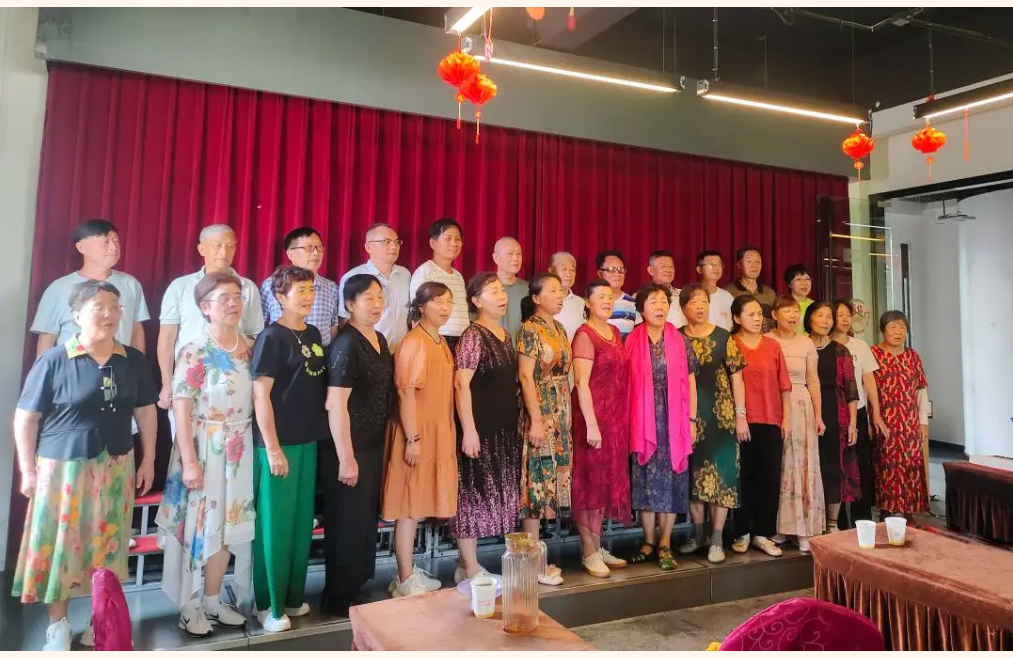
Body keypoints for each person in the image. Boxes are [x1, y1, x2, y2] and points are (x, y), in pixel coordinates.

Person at [13, 281, 157, 651]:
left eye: (114, 306)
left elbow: (145, 411)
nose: (109, 314)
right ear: (77, 316)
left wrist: (149, 458)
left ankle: (101, 620)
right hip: (63, 469)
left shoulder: (133, 360)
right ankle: (58, 626)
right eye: (98, 307)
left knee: (109, 545)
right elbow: (26, 417)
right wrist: (28, 470)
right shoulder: (55, 360)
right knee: (60, 545)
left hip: (116, 465)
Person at [156, 272, 255, 637]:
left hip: (239, 446)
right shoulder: (194, 350)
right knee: (198, 527)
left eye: (237, 296)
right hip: (203, 445)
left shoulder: (250, 348)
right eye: (224, 298)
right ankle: (190, 604)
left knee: (228, 526)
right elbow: (181, 407)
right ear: (205, 307)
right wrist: (189, 461)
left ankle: (213, 599)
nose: (233, 303)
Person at [250, 266, 329, 632]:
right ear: (281, 297)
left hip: (307, 440)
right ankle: (269, 605)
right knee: (275, 525)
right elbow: (261, 395)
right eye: (300, 290)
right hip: (278, 445)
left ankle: (294, 596)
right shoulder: (271, 337)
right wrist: (272, 448)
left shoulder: (312, 333)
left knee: (300, 523)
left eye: (311, 289)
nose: (308, 296)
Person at [321, 274, 395, 614]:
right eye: (368, 298)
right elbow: (335, 404)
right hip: (347, 446)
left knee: (363, 518)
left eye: (379, 297)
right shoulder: (346, 344)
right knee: (346, 521)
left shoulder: (378, 338)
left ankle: (355, 586)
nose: (377, 304)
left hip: (371, 442)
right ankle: (337, 596)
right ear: (349, 304)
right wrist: (346, 458)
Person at [381, 282, 457, 597]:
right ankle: (404, 578)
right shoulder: (414, 342)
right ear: (421, 306)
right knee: (408, 506)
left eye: (449, 302)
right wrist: (413, 438)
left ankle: (409, 572)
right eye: (438, 302)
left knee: (418, 503)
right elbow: (406, 393)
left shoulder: (439, 340)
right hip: (416, 432)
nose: (445, 307)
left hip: (436, 428)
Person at [452, 273, 521, 583]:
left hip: (503, 427)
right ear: (477, 301)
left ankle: (469, 566)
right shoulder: (473, 336)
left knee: (497, 493)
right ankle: (468, 565)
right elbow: (460, 384)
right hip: (479, 427)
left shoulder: (505, 334)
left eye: (501, 290)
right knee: (471, 494)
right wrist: (469, 430)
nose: (501, 295)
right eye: (493, 291)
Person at [627, 283, 698, 573]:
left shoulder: (680, 339)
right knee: (644, 478)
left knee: (671, 481)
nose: (660, 306)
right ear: (641, 309)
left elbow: (691, 381)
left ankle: (665, 542)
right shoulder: (631, 339)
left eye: (663, 301)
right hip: (641, 418)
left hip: (674, 419)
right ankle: (648, 541)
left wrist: (692, 420)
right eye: (653, 302)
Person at [158, 224, 264, 415]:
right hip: (189, 378)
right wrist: (167, 382)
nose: (224, 251)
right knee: (186, 430)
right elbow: (167, 337)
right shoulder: (180, 287)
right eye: (218, 245)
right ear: (201, 249)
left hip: (235, 380)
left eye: (230, 246)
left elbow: (255, 337)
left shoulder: (248, 288)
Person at [677, 284, 748, 564]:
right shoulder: (677, 337)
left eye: (704, 302)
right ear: (683, 308)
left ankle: (717, 539)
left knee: (722, 476)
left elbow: (737, 379)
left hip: (721, 417)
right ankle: (698, 536)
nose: (699, 306)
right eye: (693, 302)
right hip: (687, 418)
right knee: (693, 477)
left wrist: (740, 415)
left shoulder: (723, 337)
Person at [571, 279, 631, 578]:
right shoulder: (585, 335)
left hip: (614, 419)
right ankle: (588, 550)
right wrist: (592, 425)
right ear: (587, 301)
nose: (607, 301)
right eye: (601, 297)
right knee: (589, 484)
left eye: (610, 297)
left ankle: (598, 543)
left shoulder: (615, 332)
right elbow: (581, 384)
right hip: (590, 419)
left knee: (606, 481)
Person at [517, 272, 571, 585]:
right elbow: (526, 376)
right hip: (540, 409)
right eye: (552, 290)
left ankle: (539, 559)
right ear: (536, 298)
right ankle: (532, 564)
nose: (560, 295)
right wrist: (536, 419)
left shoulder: (559, 328)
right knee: (535, 483)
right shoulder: (529, 329)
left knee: (550, 481)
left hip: (560, 410)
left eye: (560, 290)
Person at [31, 219, 149, 357]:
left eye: (116, 241)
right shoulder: (59, 288)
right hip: (73, 365)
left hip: (119, 366)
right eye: (106, 242)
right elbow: (47, 338)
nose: (113, 247)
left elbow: (136, 330)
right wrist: (43, 369)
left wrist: (138, 365)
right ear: (82, 247)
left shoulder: (130, 284)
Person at [730, 295, 790, 557]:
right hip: (740, 422)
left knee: (769, 478)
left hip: (770, 419)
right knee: (743, 478)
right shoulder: (731, 344)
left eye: (759, 314)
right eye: (751, 314)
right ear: (737, 318)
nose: (757, 319)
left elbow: (784, 385)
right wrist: (738, 417)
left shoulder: (772, 346)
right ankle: (742, 532)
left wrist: (786, 418)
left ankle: (763, 534)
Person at [767, 296, 825, 552]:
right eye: (786, 311)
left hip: (801, 404)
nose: (792, 316)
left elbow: (813, 380)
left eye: (795, 311)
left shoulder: (806, 343)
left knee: (802, 464)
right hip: (773, 404)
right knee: (780, 464)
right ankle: (781, 527)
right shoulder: (767, 340)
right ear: (774, 315)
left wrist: (819, 415)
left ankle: (804, 528)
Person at [831, 300, 889, 526]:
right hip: (833, 413)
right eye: (840, 315)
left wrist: (876, 413)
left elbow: (868, 380)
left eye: (848, 315)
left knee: (861, 466)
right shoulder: (821, 345)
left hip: (859, 411)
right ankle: (837, 522)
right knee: (836, 466)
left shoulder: (860, 346)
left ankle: (862, 519)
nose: (845, 320)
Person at [806, 302, 860, 533]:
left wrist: (853, 424)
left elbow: (851, 390)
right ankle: (807, 521)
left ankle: (831, 523)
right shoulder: (801, 345)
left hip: (835, 413)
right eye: (820, 315)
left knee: (832, 465)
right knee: (806, 465)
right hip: (804, 410)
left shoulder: (840, 351)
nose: (826, 321)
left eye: (829, 317)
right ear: (809, 318)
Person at [870, 311, 930, 519]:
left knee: (911, 465)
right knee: (887, 466)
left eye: (902, 327)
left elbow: (921, 391)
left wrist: (923, 422)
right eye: (893, 327)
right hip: (884, 420)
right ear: (883, 330)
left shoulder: (913, 356)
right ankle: (887, 510)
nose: (898, 332)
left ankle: (908, 511)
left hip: (909, 421)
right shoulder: (873, 354)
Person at [259, 227, 341, 346]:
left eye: (319, 247)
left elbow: (333, 328)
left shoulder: (331, 288)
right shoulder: (271, 285)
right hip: (281, 352)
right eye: (309, 248)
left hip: (321, 354)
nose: (316, 253)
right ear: (290, 254)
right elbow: (259, 325)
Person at [338, 223, 412, 351]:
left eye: (396, 242)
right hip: (368, 352)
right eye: (386, 242)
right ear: (368, 247)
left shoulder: (405, 274)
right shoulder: (353, 277)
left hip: (402, 352)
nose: (393, 246)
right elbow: (344, 320)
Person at [410, 218, 468, 352]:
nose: (454, 243)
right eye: (448, 239)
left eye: (457, 239)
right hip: (437, 341)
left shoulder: (458, 276)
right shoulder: (425, 272)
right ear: (433, 243)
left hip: (462, 342)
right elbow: (416, 313)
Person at [725, 246, 777, 333]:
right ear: (739, 265)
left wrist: (771, 323)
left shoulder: (770, 293)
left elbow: (778, 318)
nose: (754, 266)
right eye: (749, 261)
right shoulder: (728, 292)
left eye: (758, 261)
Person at [596, 250, 637, 339]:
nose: (617, 274)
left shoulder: (633, 303)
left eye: (621, 270)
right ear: (600, 273)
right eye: (611, 269)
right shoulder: (590, 303)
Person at [493, 236, 528, 338]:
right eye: (510, 254)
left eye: (518, 254)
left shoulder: (528, 289)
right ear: (496, 258)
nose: (515, 258)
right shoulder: (484, 288)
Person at [695, 251, 736, 331]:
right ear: (699, 269)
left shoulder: (727, 297)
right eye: (711, 264)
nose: (715, 268)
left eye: (719, 264)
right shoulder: (691, 295)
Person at [549, 251, 585, 342]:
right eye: (564, 269)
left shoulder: (581, 303)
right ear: (551, 271)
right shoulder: (542, 300)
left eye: (572, 270)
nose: (569, 274)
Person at [647, 250, 687, 328]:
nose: (668, 270)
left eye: (671, 267)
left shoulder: (683, 294)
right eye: (663, 266)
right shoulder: (641, 296)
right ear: (651, 270)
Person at [783, 265, 814, 332]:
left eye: (807, 279)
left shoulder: (815, 305)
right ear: (789, 284)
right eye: (798, 279)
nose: (804, 283)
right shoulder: (783, 305)